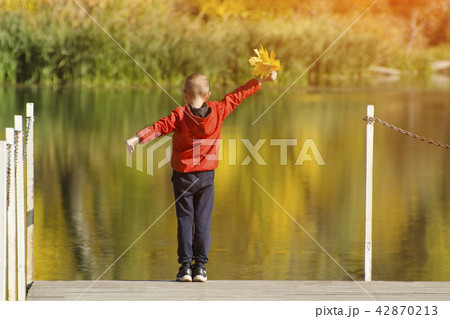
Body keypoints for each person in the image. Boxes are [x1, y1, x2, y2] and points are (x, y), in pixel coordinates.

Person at [125, 71, 277, 282]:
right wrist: (261, 80)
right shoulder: (218, 109)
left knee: (185, 221)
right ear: (208, 95)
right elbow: (238, 95)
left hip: (183, 177)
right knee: (203, 222)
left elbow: (159, 128)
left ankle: (185, 268)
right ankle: (201, 269)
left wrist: (136, 139)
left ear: (185, 94)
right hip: (206, 177)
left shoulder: (179, 115)